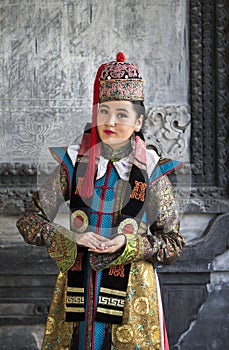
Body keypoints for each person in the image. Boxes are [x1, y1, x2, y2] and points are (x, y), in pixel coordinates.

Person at [17, 52, 185, 350]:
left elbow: (172, 243)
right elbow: (29, 220)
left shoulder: (152, 171)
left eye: (122, 114)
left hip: (133, 295)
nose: (110, 121)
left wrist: (129, 244)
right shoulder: (73, 165)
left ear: (138, 121)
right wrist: (71, 238)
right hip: (77, 288)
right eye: (104, 111)